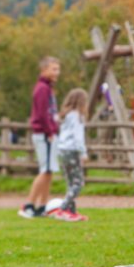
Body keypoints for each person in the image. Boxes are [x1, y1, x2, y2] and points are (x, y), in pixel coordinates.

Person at [19, 56, 61, 219]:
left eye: (58, 69)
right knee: (45, 170)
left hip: (48, 133)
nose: (57, 72)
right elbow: (42, 114)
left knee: (49, 171)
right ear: (44, 70)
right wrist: (50, 132)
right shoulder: (42, 88)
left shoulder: (48, 88)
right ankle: (28, 204)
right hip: (44, 134)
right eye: (53, 69)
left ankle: (42, 206)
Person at [52, 88, 89, 222]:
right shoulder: (78, 116)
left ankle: (71, 212)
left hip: (62, 151)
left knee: (70, 183)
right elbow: (78, 137)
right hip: (72, 151)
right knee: (78, 183)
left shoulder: (66, 115)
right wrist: (83, 153)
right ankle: (62, 209)